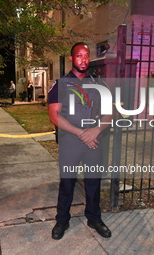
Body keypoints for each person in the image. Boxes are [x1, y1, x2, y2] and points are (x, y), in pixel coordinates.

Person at [48, 42, 113, 240]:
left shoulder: (99, 84)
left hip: (93, 142)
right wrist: (80, 132)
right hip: (70, 142)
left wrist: (96, 130)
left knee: (93, 182)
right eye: (79, 56)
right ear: (71, 59)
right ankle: (62, 220)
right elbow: (54, 115)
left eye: (86, 56)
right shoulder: (61, 84)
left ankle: (94, 217)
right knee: (67, 183)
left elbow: (110, 113)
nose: (83, 59)